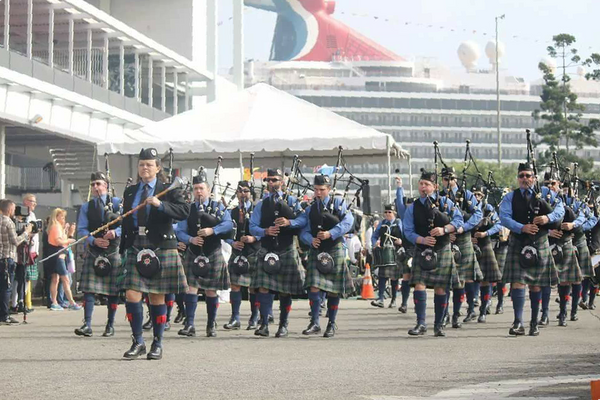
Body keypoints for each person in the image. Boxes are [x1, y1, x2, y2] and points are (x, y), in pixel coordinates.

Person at [118, 148, 189, 360]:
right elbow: (126, 219)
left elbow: (184, 211)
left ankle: (157, 343)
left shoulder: (167, 189)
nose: (145, 168)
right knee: (132, 293)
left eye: (149, 164)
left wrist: (161, 204)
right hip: (136, 245)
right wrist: (123, 246)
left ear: (158, 168)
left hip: (160, 245)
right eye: (141, 164)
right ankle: (138, 341)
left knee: (156, 297)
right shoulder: (131, 191)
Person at [499, 162, 563, 336]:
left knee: (536, 285)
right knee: (518, 282)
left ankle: (534, 322)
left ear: (534, 178)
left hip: (539, 242)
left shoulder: (546, 193)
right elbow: (503, 217)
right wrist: (521, 227)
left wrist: (546, 217)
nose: (524, 179)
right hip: (518, 241)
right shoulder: (510, 197)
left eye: (528, 175)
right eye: (521, 176)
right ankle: (518, 322)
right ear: (518, 178)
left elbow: (560, 210)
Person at [403, 169, 463, 337]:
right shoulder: (413, 207)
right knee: (419, 285)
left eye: (427, 185)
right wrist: (422, 240)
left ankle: (438, 325)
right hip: (422, 250)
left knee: (441, 288)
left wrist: (444, 229)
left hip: (442, 249)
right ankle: (421, 323)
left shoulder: (446, 203)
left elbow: (458, 221)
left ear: (435, 187)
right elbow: (407, 230)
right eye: (421, 184)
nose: (423, 187)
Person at [249, 168, 308, 337]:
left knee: (285, 290)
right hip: (267, 249)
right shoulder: (261, 204)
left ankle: (283, 324)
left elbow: (303, 219)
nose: (271, 183)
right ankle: (264, 324)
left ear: (281, 182)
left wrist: (289, 221)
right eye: (268, 180)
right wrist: (265, 231)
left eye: (274, 180)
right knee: (264, 288)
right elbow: (252, 226)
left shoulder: (291, 201)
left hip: (286, 248)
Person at [175, 170, 232, 338]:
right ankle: (190, 324)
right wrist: (191, 239)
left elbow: (228, 224)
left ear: (208, 190)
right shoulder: (188, 209)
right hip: (194, 252)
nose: (198, 192)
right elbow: (180, 232)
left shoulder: (218, 207)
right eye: (195, 189)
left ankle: (210, 325)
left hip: (212, 252)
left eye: (201, 188)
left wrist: (212, 230)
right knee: (190, 288)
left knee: (211, 291)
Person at [299, 174, 355, 338]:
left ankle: (331, 323)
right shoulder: (310, 208)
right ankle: (315, 322)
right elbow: (304, 230)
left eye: (321, 190)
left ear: (328, 189)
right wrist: (310, 240)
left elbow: (348, 222)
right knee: (314, 287)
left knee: (333, 291)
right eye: (316, 190)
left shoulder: (338, 202)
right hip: (317, 250)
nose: (318, 193)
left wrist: (330, 233)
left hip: (334, 247)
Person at [74, 172, 122, 338]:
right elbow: (81, 230)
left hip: (114, 250)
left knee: (113, 291)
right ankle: (87, 324)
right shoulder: (86, 207)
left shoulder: (118, 203)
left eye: (98, 184)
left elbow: (128, 224)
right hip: (94, 251)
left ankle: (110, 325)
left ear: (106, 186)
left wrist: (115, 232)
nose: (95, 187)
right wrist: (94, 240)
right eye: (93, 184)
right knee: (88, 289)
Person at [441, 167, 483, 327]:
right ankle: (444, 314)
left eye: (451, 179)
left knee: (461, 281)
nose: (448, 182)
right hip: (446, 240)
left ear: (456, 179)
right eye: (445, 179)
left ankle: (456, 315)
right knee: (445, 281)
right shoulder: (439, 197)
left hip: (463, 238)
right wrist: (446, 231)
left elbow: (478, 215)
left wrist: (462, 228)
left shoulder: (466, 195)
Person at [545, 176, 582, 327]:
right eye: (547, 184)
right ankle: (543, 314)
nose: (550, 186)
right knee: (542, 282)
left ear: (558, 185)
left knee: (566, 282)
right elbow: (529, 222)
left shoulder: (567, 206)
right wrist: (547, 232)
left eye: (553, 184)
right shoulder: (538, 204)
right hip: (545, 244)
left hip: (564, 245)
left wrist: (571, 225)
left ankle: (564, 312)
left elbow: (580, 227)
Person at [224, 181, 261, 331]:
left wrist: (254, 238)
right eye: (240, 191)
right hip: (238, 252)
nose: (243, 194)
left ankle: (254, 317)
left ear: (251, 194)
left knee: (253, 287)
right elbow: (224, 231)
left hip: (253, 251)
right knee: (235, 285)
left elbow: (265, 230)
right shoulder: (232, 211)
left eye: (246, 191)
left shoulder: (257, 210)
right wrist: (231, 242)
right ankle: (235, 318)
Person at [470, 185, 503, 323]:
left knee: (485, 280)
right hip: (470, 245)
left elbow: (498, 225)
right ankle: (470, 309)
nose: (476, 197)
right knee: (469, 280)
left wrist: (485, 233)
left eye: (479, 194)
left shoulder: (489, 209)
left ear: (483, 196)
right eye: (474, 194)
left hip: (485, 245)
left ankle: (483, 311)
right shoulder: (467, 208)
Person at [0, 199, 32, 325]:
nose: (14, 211)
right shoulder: (8, 222)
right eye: (13, 209)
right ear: (9, 209)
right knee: (7, 287)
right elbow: (15, 241)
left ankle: (2, 313)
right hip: (7, 257)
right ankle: (4, 315)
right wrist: (26, 233)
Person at [46, 208, 81, 311]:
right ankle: (71, 302)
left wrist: (67, 232)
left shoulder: (57, 227)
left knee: (55, 279)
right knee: (65, 279)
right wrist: (69, 240)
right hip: (58, 256)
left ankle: (54, 302)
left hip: (55, 255)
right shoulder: (56, 226)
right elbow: (59, 241)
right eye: (62, 217)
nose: (63, 219)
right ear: (56, 217)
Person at [10, 194, 39, 314]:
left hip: (30, 251)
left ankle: (22, 301)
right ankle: (14, 303)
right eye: (32, 201)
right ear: (25, 202)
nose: (34, 204)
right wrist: (27, 233)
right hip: (20, 253)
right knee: (18, 278)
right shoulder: (17, 217)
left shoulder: (32, 215)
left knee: (26, 278)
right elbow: (19, 235)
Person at [370, 204, 402, 309]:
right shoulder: (382, 224)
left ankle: (393, 300)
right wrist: (375, 243)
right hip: (384, 252)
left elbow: (405, 235)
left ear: (394, 213)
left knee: (394, 278)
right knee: (382, 276)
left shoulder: (398, 223)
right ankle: (380, 299)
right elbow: (374, 236)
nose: (387, 214)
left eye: (390, 212)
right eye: (386, 212)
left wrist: (401, 241)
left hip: (396, 252)